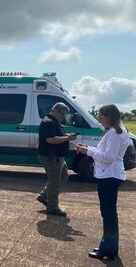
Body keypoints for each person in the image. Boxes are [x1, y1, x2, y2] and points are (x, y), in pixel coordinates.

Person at [76, 104, 130, 260]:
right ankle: (110, 247)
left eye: (101, 117)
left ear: (109, 116)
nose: (100, 121)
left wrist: (89, 151)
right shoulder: (117, 130)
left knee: (108, 214)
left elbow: (108, 157)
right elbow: (107, 152)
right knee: (109, 214)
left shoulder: (115, 133)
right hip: (111, 175)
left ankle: (108, 249)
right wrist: (89, 148)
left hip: (109, 176)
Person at [36, 102, 77, 217]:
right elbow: (51, 140)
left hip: (57, 156)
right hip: (51, 157)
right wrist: (67, 138)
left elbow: (56, 136)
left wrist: (67, 136)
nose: (63, 117)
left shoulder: (53, 122)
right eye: (62, 114)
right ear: (55, 111)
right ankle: (52, 207)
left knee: (63, 176)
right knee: (55, 182)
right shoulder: (48, 122)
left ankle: (44, 196)